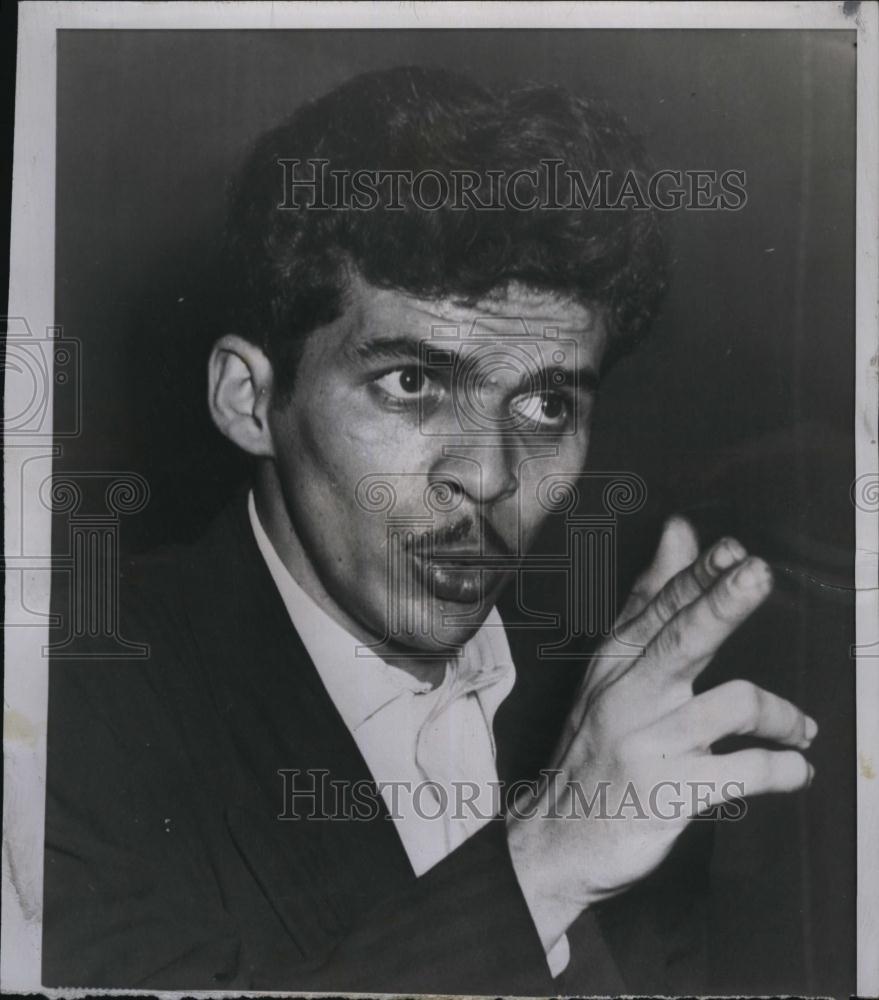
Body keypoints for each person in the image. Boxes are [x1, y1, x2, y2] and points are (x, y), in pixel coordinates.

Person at [43, 65, 816, 994]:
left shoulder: (614, 723)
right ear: (251, 401)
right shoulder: (61, 703)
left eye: (542, 403)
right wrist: (543, 862)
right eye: (411, 383)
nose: (487, 475)